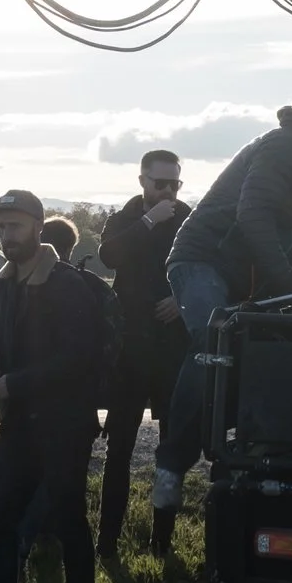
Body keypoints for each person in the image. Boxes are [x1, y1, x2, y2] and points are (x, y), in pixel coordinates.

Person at [152, 87, 292, 543]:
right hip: (202, 258)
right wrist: (291, 281)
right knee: (213, 340)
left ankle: (257, 453)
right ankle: (171, 464)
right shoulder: (281, 147)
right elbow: (253, 216)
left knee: (274, 346)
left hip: (243, 271)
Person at [0, 188, 110, 583]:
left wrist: (15, 383)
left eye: (14, 225)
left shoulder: (67, 285)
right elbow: (6, 347)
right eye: (1, 226)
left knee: (67, 513)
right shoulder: (0, 283)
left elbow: (77, 360)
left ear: (37, 226)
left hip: (65, 422)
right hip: (19, 420)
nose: (6, 234)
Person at [98, 150, 190, 553]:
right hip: (130, 349)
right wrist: (149, 222)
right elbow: (109, 255)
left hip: (172, 350)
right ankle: (107, 541)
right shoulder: (125, 219)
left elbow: (213, 266)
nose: (169, 191)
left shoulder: (190, 218)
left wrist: (181, 299)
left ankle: (162, 542)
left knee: (170, 450)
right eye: (161, 183)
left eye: (175, 183)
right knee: (118, 449)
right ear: (142, 182)